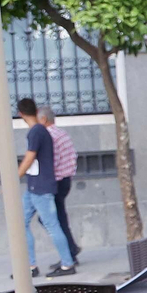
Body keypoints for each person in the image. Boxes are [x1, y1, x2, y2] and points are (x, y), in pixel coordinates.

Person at [17, 97, 76, 278]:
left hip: (41, 187)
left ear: (20, 114)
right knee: (21, 223)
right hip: (35, 186)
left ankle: (67, 264)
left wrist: (14, 178)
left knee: (52, 225)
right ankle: (31, 266)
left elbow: (29, 158)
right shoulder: (42, 131)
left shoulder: (37, 132)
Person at [40, 106, 81, 264]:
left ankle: (69, 250)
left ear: (43, 119)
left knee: (50, 219)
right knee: (59, 217)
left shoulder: (48, 136)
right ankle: (71, 250)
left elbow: (50, 161)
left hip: (55, 181)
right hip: (65, 179)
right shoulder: (62, 133)